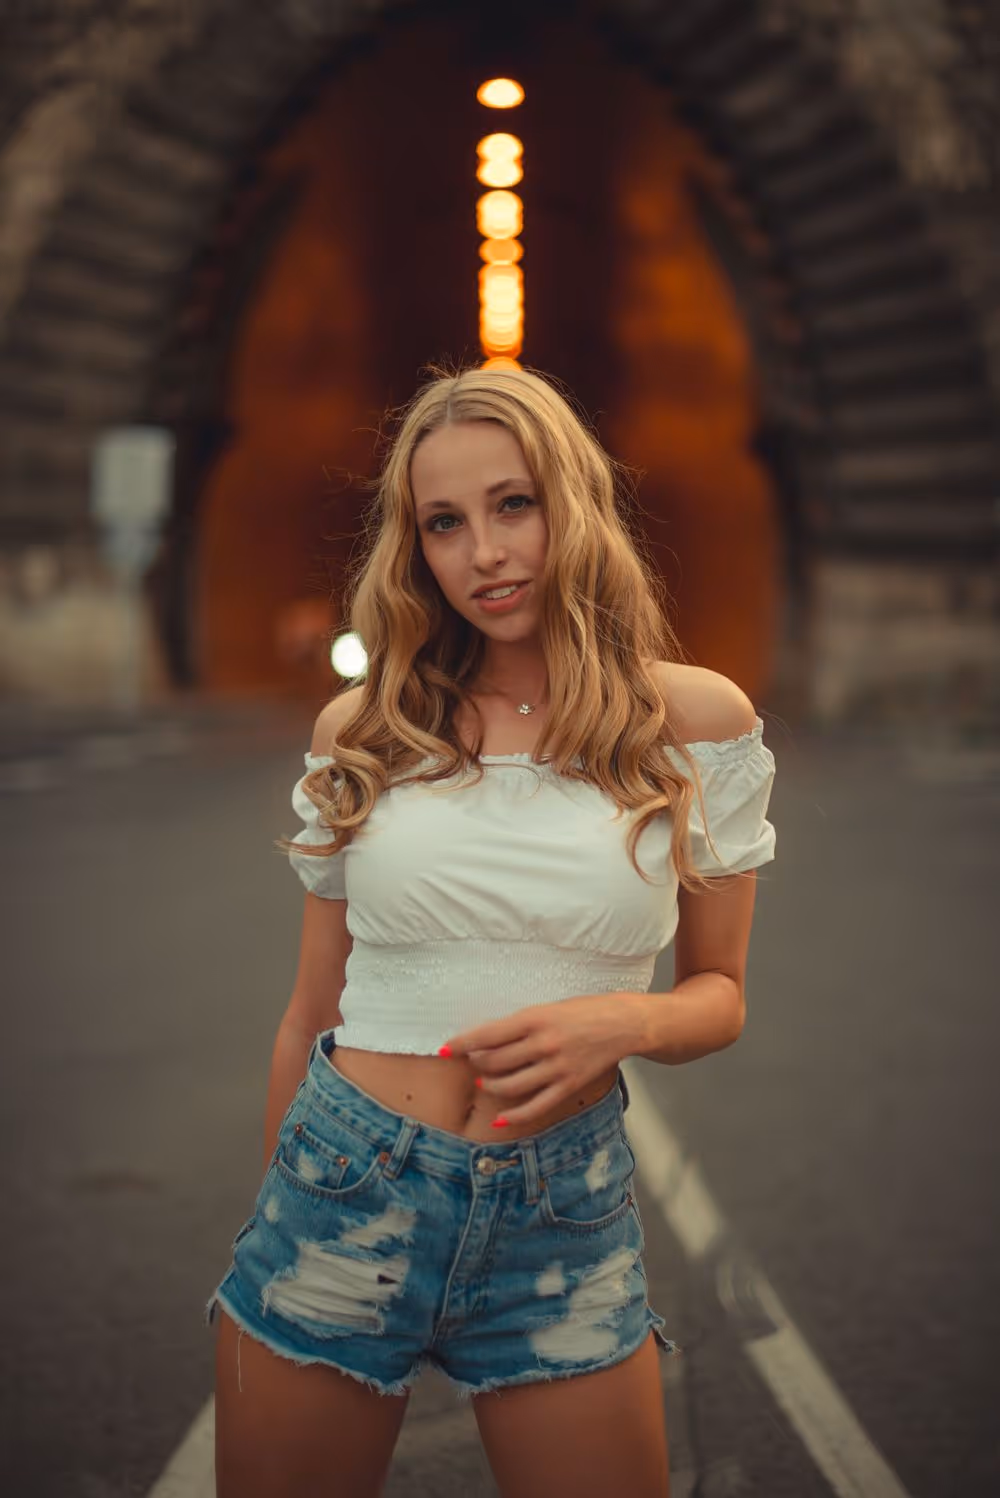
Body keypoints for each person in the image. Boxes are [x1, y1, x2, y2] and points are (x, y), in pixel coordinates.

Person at [206, 365, 777, 1498]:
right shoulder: (364, 730)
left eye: (514, 504)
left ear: (573, 503)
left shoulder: (695, 722)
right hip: (346, 1182)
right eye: (444, 523)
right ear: (414, 547)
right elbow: (311, 1011)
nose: (485, 553)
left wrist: (623, 1021)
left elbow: (719, 993)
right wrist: (283, 1214)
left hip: (559, 1207)